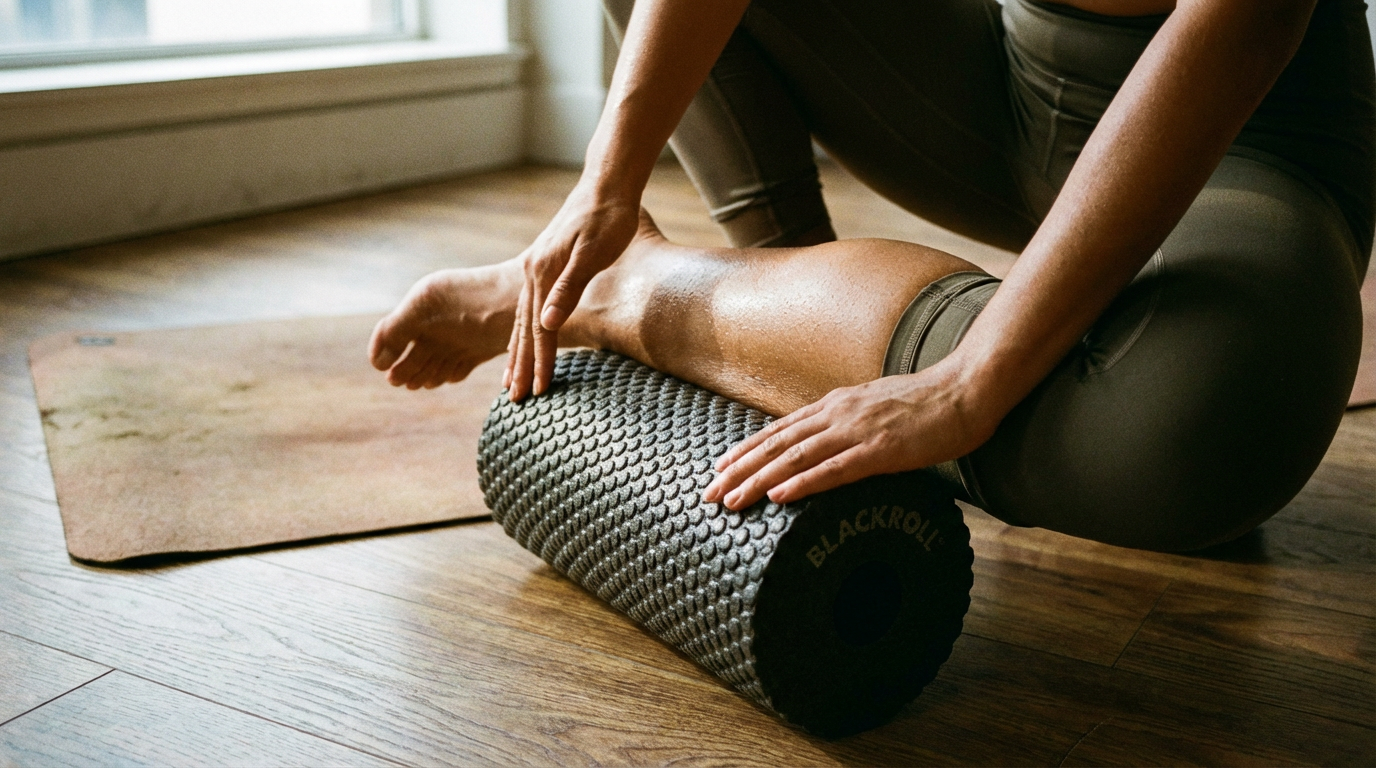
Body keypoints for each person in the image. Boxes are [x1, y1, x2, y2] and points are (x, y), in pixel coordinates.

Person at [369, 0, 1373, 552]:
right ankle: (772, 317)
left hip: (1245, 145)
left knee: (1184, 439)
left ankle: (638, 290)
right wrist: (603, 186)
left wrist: (969, 382)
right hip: (1002, 94)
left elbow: (1243, 22)